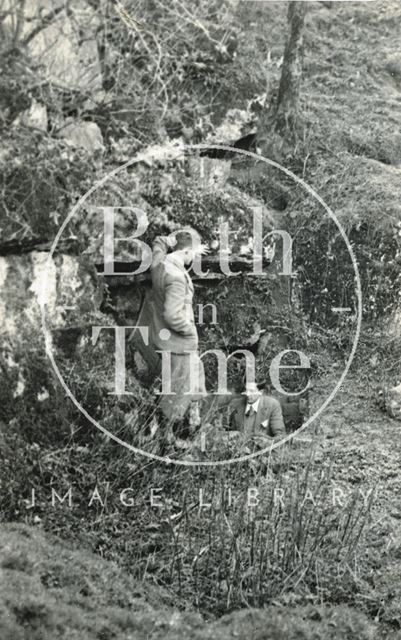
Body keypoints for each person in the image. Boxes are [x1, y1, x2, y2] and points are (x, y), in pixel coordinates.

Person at [134, 228, 208, 443]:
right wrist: (191, 332)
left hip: (164, 339)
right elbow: (172, 314)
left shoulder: (159, 264)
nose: (194, 258)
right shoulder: (176, 277)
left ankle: (190, 420)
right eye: (194, 254)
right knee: (178, 393)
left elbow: (158, 243)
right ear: (187, 252)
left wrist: (176, 242)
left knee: (197, 371)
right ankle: (166, 436)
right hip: (178, 343)